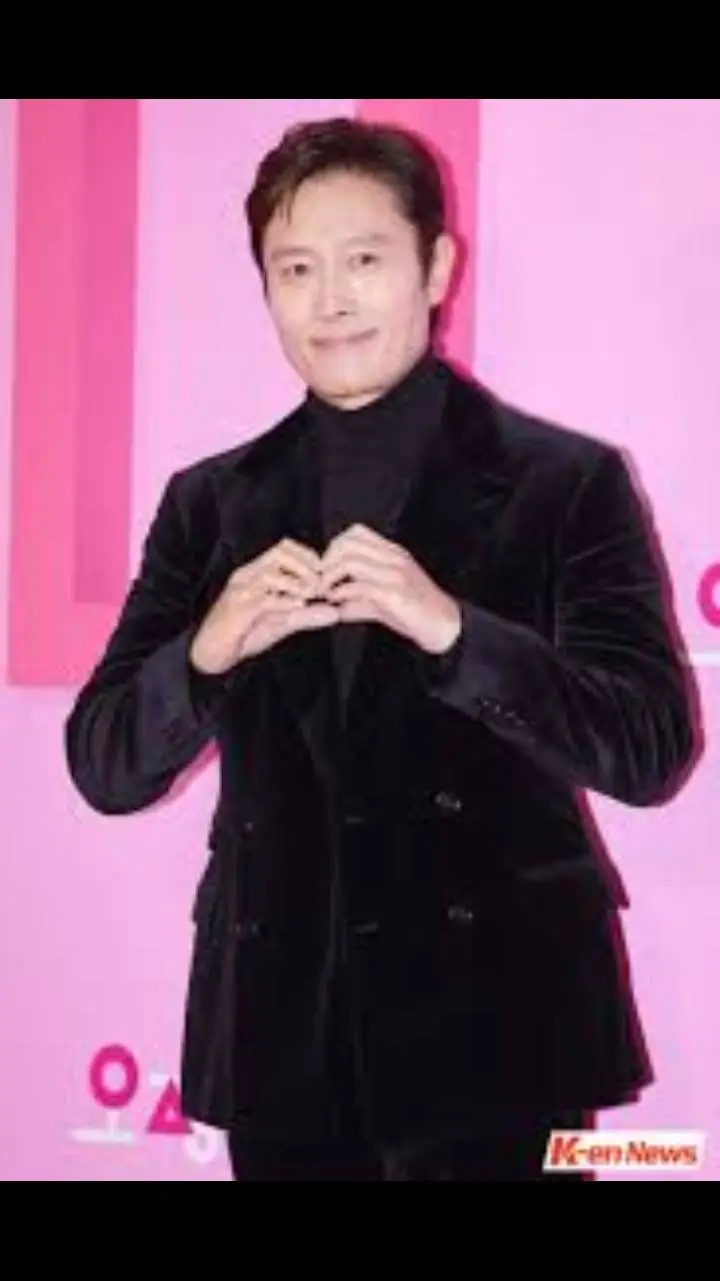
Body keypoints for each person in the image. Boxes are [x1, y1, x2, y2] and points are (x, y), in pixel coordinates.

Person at [64, 116, 697, 1182]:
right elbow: (104, 762)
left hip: (505, 1037)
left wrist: (457, 631)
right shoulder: (210, 504)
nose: (331, 300)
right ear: (266, 289)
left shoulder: (565, 484)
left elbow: (648, 745)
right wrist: (206, 653)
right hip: (283, 1051)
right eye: (295, 269)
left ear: (435, 267)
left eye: (364, 260)